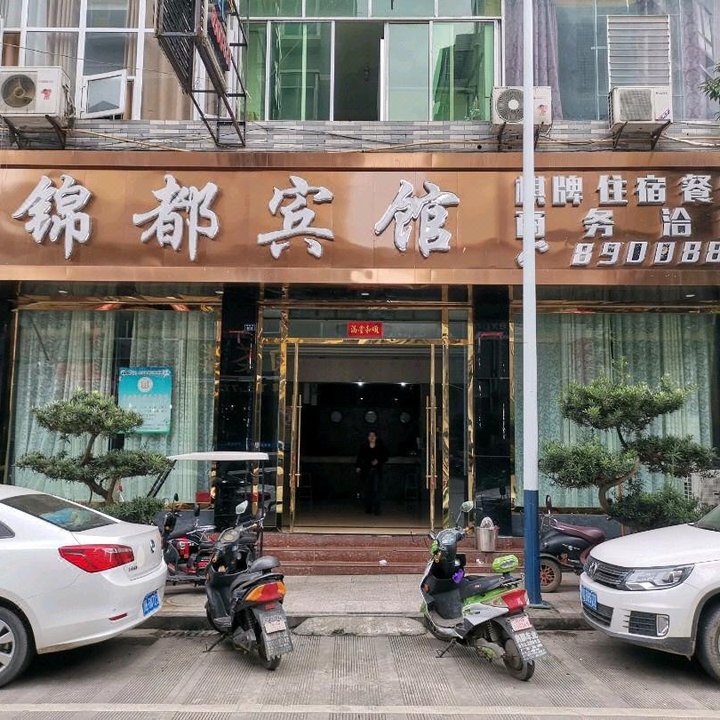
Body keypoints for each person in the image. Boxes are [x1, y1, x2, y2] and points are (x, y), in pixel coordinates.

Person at [356, 430, 389, 515]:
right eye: (370, 436)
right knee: (367, 489)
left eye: (373, 436)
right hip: (366, 470)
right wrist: (358, 467)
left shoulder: (380, 447)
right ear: (368, 437)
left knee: (376, 489)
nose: (371, 437)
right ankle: (368, 507)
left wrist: (378, 460)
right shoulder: (364, 446)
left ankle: (377, 509)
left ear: (376, 437)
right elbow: (359, 457)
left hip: (377, 470)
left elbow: (385, 457)